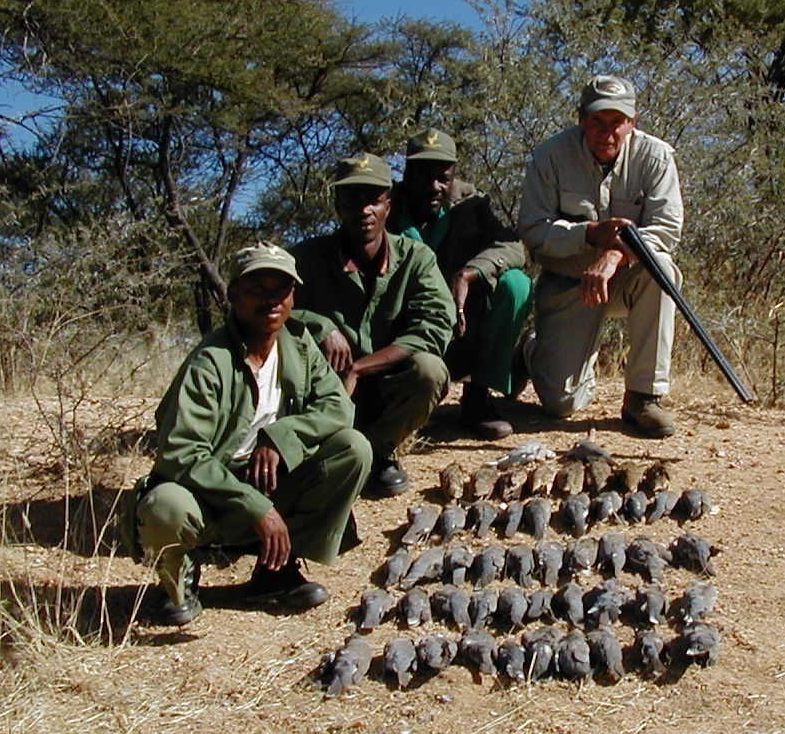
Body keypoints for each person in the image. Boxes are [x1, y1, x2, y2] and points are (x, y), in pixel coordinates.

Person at [129, 242, 373, 627]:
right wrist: (254, 505)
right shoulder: (210, 361)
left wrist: (280, 437)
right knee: (166, 505)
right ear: (234, 294)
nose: (271, 299)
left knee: (352, 448)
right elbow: (179, 451)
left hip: (271, 481)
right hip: (212, 494)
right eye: (258, 288)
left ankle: (277, 569)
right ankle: (179, 582)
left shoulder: (299, 344)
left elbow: (338, 408)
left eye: (282, 289)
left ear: (294, 295)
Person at [518, 74, 684, 437]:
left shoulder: (656, 156)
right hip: (569, 282)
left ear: (633, 122)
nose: (607, 133)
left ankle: (643, 397)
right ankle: (535, 352)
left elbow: (667, 230)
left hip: (626, 279)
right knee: (561, 406)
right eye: (596, 121)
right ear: (581, 118)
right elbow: (532, 228)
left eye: (617, 123)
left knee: (663, 271)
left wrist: (614, 256)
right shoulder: (549, 156)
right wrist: (589, 233)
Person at [289, 152, 454, 496]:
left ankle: (376, 453)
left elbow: (435, 327)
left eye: (373, 200)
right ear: (337, 205)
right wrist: (320, 327)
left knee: (430, 370)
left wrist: (361, 368)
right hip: (325, 390)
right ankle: (319, 453)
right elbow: (269, 310)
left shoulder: (416, 258)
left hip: (385, 388)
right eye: (352, 200)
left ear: (388, 206)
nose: (363, 210)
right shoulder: (305, 258)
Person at [390, 128, 532, 439]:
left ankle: (479, 397)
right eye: (422, 176)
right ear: (406, 173)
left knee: (516, 284)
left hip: (462, 326)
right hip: (407, 329)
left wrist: (470, 273)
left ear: (454, 174)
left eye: (443, 177)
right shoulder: (384, 208)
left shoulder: (472, 204)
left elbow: (513, 247)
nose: (433, 187)